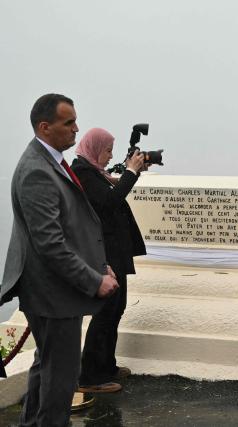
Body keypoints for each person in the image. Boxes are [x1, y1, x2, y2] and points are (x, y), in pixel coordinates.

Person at [0, 94, 118, 426]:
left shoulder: (48, 161)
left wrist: (98, 264)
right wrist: (95, 281)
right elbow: (50, 245)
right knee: (62, 376)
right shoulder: (37, 170)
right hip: (53, 294)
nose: (76, 129)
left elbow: (69, 227)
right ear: (45, 126)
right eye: (68, 123)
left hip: (53, 292)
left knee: (47, 365)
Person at [70, 128, 147, 393]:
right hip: (104, 253)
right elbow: (109, 202)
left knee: (116, 309)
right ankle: (90, 376)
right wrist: (131, 172)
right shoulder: (83, 172)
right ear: (94, 148)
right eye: (107, 150)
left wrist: (132, 175)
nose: (110, 156)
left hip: (115, 250)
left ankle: (106, 367)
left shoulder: (95, 173)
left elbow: (113, 193)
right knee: (105, 313)